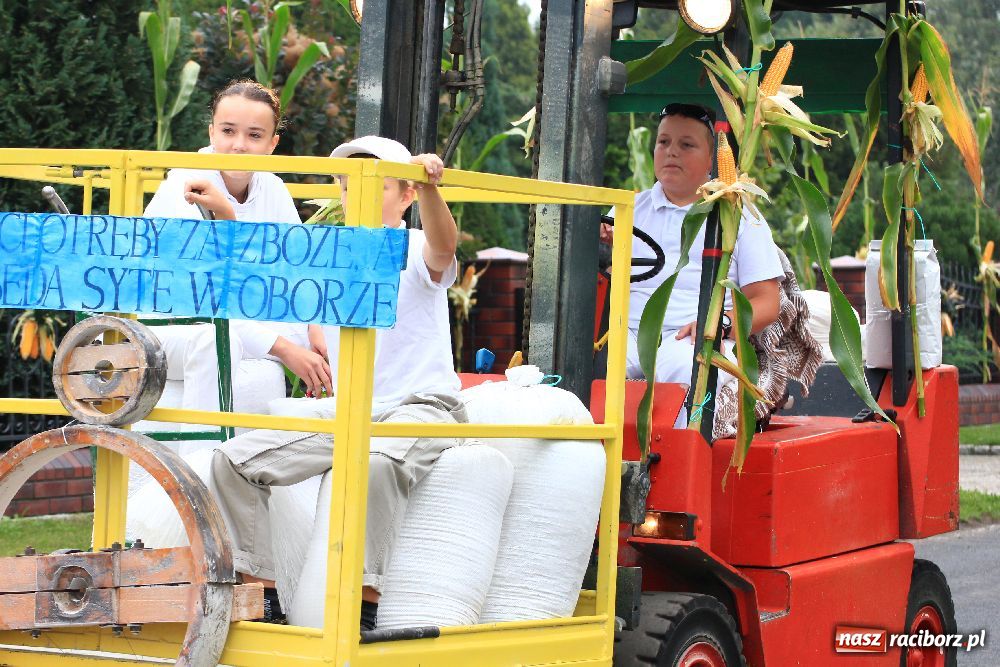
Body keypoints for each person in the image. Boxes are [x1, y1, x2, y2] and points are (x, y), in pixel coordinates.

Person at [208, 136, 463, 629]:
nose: (355, 195)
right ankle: (264, 598)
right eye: (347, 185)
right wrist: (225, 219)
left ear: (405, 196)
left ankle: (363, 604)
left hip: (421, 405)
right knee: (231, 461)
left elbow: (443, 247)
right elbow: (263, 274)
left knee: (371, 464)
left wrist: (429, 186)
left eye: (376, 186)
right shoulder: (328, 258)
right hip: (350, 409)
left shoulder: (411, 247)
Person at [143, 79, 332, 412]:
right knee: (216, 341)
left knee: (338, 329)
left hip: (250, 320)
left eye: (254, 135)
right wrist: (286, 349)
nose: (239, 145)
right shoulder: (184, 187)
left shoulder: (273, 188)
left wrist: (317, 328)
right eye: (228, 131)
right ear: (212, 133)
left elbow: (297, 269)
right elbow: (207, 297)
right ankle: (200, 458)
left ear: (273, 143)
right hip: (173, 328)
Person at [605, 103, 783, 392]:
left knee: (683, 368)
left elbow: (767, 302)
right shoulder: (627, 210)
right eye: (663, 142)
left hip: (695, 338)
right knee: (588, 361)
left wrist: (718, 325)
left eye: (686, 145)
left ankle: (678, 437)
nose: (671, 151)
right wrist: (599, 248)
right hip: (628, 333)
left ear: (711, 158)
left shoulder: (737, 215)